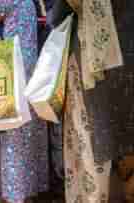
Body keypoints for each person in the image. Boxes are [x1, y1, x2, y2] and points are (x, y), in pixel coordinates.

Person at [50, 0, 123, 202]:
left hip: (87, 62)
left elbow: (56, 17)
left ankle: (89, 197)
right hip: (117, 59)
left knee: (86, 134)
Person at [0, 0, 49, 202]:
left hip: (11, 68)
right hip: (29, 69)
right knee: (23, 132)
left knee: (9, 130)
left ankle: (12, 192)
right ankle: (23, 189)